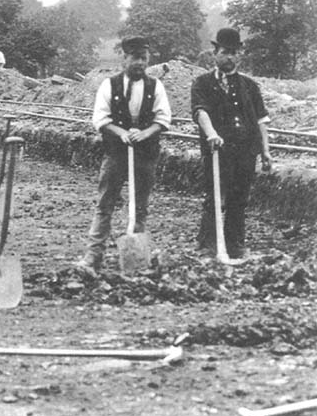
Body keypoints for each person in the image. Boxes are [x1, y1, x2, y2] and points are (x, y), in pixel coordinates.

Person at [79, 36, 172, 272]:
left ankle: (137, 255)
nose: (140, 63)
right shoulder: (109, 85)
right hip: (116, 153)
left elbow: (163, 119)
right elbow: (100, 118)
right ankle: (94, 255)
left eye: (144, 58)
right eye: (135, 58)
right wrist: (121, 132)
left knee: (140, 205)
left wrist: (145, 133)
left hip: (146, 154)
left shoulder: (155, 86)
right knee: (105, 202)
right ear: (124, 58)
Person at [191, 28, 272, 259]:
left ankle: (235, 245)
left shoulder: (249, 86)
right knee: (216, 197)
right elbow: (200, 112)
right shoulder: (202, 83)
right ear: (215, 53)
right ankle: (208, 246)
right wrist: (211, 134)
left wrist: (265, 151)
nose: (230, 57)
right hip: (218, 150)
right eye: (226, 52)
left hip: (246, 151)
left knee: (239, 199)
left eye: (235, 53)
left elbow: (261, 120)